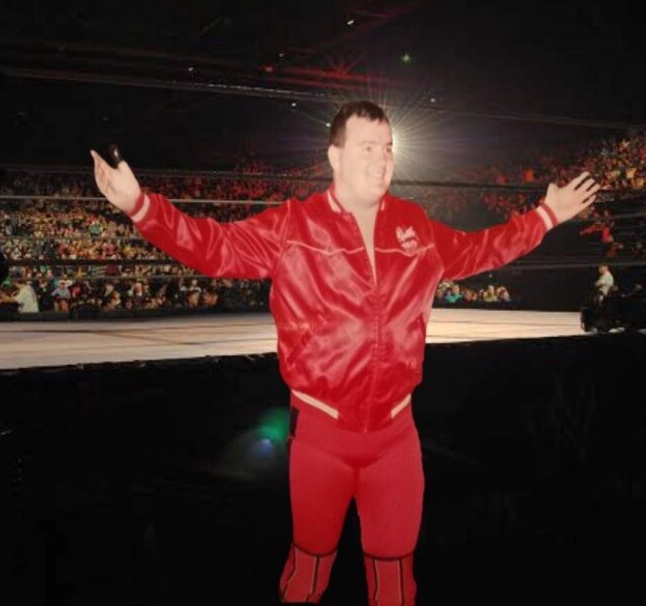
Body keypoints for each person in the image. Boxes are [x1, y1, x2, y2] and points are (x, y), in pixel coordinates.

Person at [91, 101, 600, 605]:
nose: (381, 160)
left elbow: (479, 249)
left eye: (388, 148)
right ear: (334, 156)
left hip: (396, 440)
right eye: (367, 148)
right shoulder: (295, 226)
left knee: (396, 584)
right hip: (320, 440)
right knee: (308, 576)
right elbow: (215, 247)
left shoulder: (415, 226)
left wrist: (547, 215)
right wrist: (141, 207)